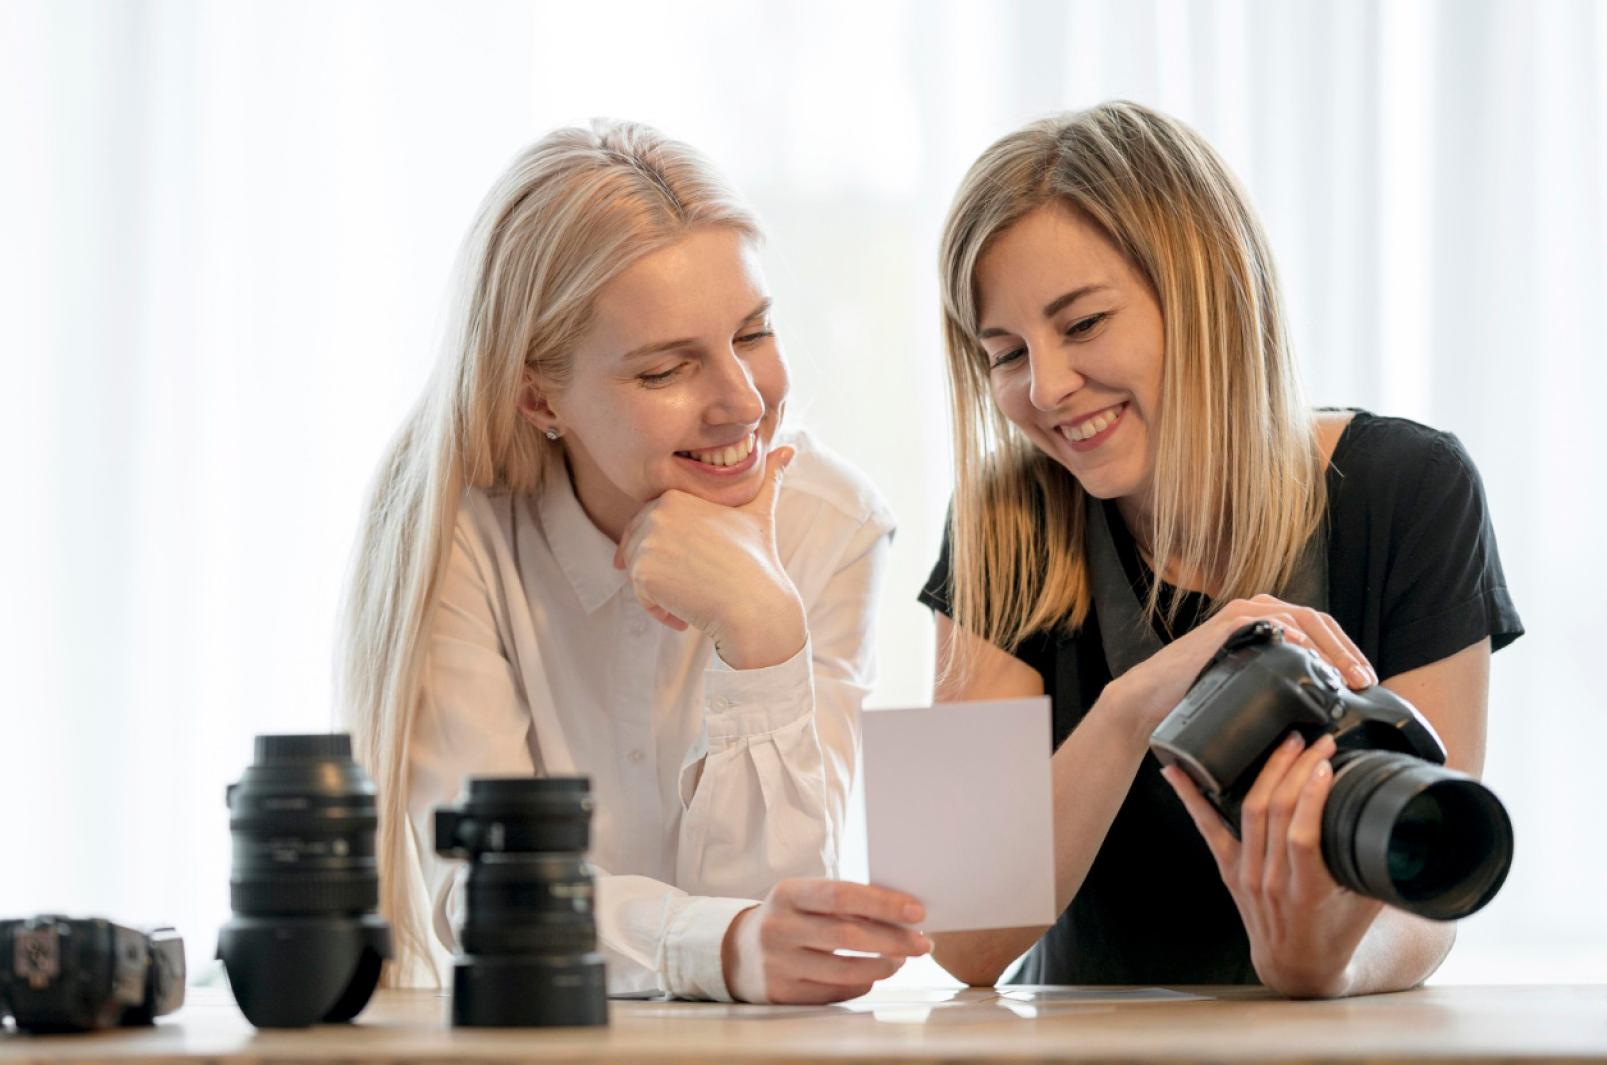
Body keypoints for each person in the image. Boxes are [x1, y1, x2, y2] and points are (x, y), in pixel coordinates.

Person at [919, 101, 1522, 998]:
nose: (1044, 388)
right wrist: (1131, 708)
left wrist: (1322, 966)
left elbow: (1432, 878)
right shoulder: (1001, 520)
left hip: (1329, 1047)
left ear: (1204, 293)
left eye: (1082, 325)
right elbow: (955, 932)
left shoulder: (1414, 488)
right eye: (1006, 353)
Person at [340, 120, 931, 1004]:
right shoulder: (459, 528)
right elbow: (483, 893)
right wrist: (719, 947)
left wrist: (763, 627)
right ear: (538, 397)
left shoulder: (833, 523)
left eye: (754, 333)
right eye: (665, 371)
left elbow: (780, 933)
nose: (743, 402)